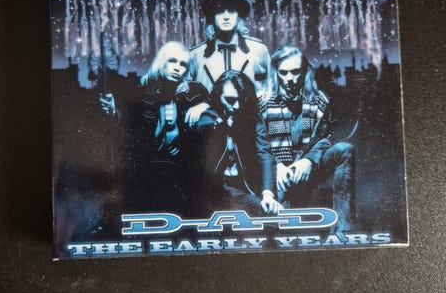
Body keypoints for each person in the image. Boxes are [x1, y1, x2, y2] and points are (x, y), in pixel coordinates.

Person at [100, 41, 208, 214]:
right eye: (172, 61)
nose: (177, 68)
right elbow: (126, 130)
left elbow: (218, 101)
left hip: (181, 171)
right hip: (147, 170)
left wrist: (204, 105)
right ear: (162, 61)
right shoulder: (140, 90)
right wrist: (113, 111)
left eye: (183, 64)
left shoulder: (194, 92)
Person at [262, 45, 355, 234]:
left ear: (304, 71)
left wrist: (309, 161)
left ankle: (343, 231)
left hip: (309, 167)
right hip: (277, 173)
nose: (289, 78)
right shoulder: (263, 102)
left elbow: (326, 136)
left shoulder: (319, 100)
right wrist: (276, 166)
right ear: (276, 72)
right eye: (284, 72)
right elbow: (257, 144)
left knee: (345, 149)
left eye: (295, 72)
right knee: (278, 228)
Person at [195, 70, 282, 217]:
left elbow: (264, 154)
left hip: (243, 188)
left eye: (241, 100)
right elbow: (204, 129)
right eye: (230, 100)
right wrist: (220, 126)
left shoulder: (253, 118)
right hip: (214, 190)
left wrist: (268, 194)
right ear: (218, 97)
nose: (236, 106)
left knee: (271, 215)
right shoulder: (208, 117)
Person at [189, 0, 271, 97]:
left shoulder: (258, 50)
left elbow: (270, 89)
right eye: (220, 11)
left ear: (239, 16)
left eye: (231, 11)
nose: (226, 17)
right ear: (212, 16)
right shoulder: (196, 55)